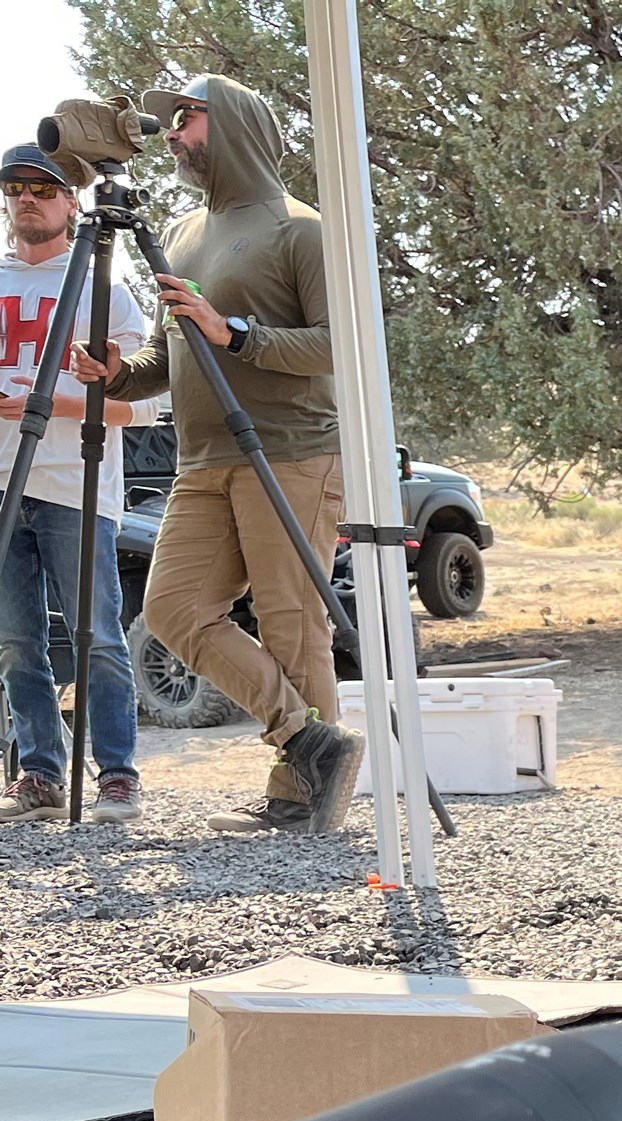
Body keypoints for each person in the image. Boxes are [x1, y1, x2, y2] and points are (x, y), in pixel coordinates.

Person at [73, 74, 361, 834]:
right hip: (201, 463)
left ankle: (304, 801)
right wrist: (119, 375)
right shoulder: (182, 231)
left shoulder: (301, 229)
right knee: (171, 609)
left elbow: (340, 348)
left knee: (293, 627)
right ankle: (307, 741)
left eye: (187, 118)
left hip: (292, 453)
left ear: (232, 123)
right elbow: (179, 350)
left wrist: (234, 330)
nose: (171, 133)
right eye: (168, 123)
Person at [0, 142, 159, 824]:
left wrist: (59, 405)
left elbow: (150, 405)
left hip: (75, 482)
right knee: (15, 643)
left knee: (97, 635)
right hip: (1, 482)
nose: (27, 197)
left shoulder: (105, 288)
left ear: (72, 202)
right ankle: (38, 773)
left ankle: (117, 774)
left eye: (43, 186)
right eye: (15, 187)